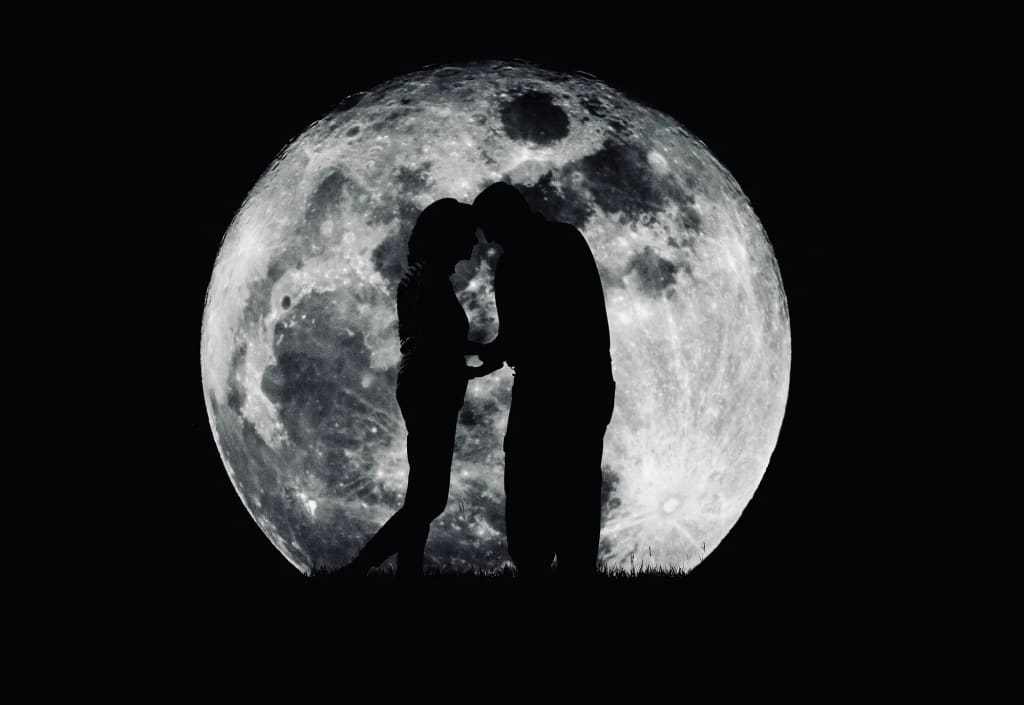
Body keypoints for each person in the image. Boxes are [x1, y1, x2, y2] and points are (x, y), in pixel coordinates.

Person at [340, 198, 501, 577]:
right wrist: (480, 355)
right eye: (468, 234)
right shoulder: (428, 279)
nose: (474, 242)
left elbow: (431, 340)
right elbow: (435, 340)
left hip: (425, 381)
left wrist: (471, 362)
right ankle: (357, 569)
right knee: (431, 500)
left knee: (421, 494)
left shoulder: (421, 276)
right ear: (448, 236)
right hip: (431, 386)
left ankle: (408, 575)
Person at [473, 182, 615, 577]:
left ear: (504, 218)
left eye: (490, 228)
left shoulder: (516, 262)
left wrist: (485, 353)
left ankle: (537, 567)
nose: (489, 240)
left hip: (546, 390)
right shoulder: (567, 240)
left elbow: (518, 338)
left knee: (529, 487)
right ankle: (573, 569)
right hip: (586, 385)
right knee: (577, 489)